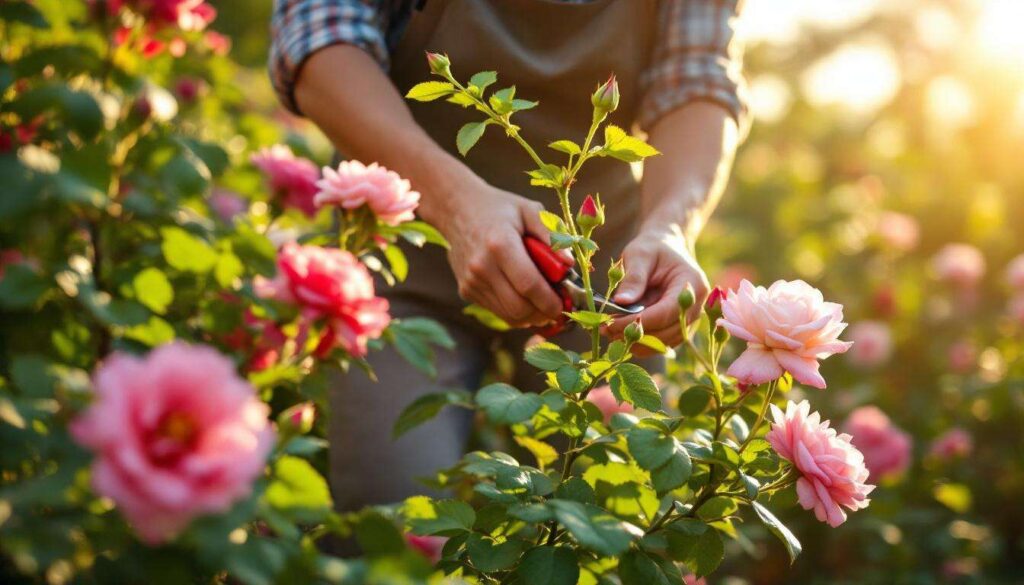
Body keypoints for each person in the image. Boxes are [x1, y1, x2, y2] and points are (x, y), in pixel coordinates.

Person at [269, 0, 747, 514]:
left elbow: (695, 83)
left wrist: (670, 226)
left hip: (604, 283)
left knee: (614, 514)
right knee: (397, 514)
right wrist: (455, 206)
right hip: (403, 251)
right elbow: (320, 39)